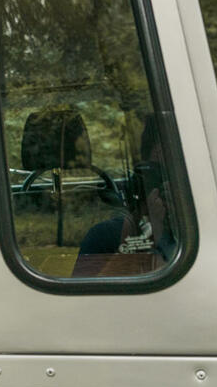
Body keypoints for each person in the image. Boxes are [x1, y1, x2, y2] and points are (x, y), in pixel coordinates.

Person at [71, 116, 174, 277]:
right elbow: (87, 297)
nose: (166, 183)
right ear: (141, 180)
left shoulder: (204, 233)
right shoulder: (106, 237)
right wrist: (137, 236)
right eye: (157, 174)